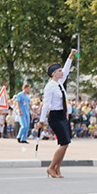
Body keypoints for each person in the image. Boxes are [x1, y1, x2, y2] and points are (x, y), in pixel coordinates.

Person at [37, 49, 77, 178]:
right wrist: (41, 121)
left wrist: (70, 56)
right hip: (55, 116)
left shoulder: (59, 83)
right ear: (53, 73)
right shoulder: (50, 86)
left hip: (63, 116)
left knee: (66, 144)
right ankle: (51, 167)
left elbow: (66, 68)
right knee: (63, 143)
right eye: (59, 71)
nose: (62, 72)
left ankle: (57, 169)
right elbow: (46, 104)